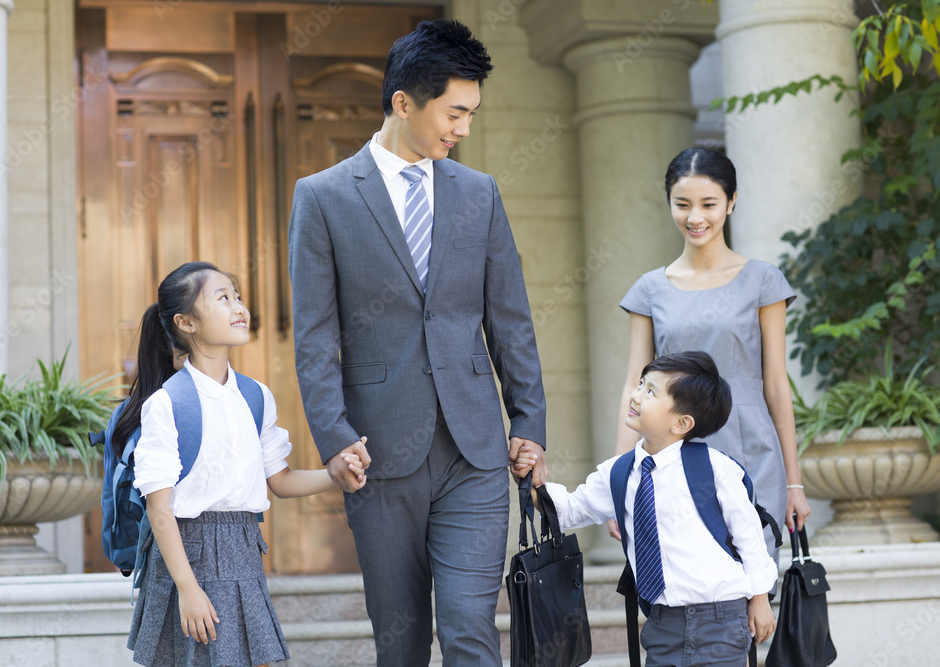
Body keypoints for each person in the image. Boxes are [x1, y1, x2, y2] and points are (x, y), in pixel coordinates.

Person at [288, 19, 546, 667]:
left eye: (471, 113)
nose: (463, 128)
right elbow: (315, 335)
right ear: (404, 102)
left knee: (468, 626)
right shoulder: (322, 198)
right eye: (454, 113)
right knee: (399, 642)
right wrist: (335, 434)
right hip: (377, 456)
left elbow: (509, 317)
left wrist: (529, 422)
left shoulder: (478, 193)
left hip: (475, 452)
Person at [119, 261, 366, 667]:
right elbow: (159, 508)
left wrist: (333, 475)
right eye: (222, 298)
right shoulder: (167, 403)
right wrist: (188, 588)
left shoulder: (256, 396)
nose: (239, 307)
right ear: (186, 322)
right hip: (189, 556)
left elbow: (281, 480)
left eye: (237, 296)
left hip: (244, 552)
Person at [615, 147, 810, 557]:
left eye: (709, 204)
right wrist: (620, 481)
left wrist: (794, 483)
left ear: (731, 202)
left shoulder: (762, 281)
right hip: (673, 453)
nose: (695, 217)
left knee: (752, 589)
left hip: (753, 452)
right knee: (687, 587)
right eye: (682, 204)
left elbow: (776, 384)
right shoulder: (651, 289)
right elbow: (635, 385)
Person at [542, 351, 779, 667]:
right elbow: (570, 510)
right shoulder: (619, 472)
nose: (637, 395)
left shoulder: (714, 468)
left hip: (721, 617)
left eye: (650, 391)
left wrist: (760, 598)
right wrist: (535, 484)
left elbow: (749, 536)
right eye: (640, 384)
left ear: (682, 423)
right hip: (662, 624)